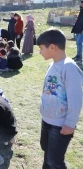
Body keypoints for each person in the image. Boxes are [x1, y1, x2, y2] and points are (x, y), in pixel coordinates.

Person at [36, 28, 83, 169]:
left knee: (55, 161)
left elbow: (76, 98)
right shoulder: (52, 65)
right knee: (47, 153)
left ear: (52, 47)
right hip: (47, 120)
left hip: (61, 124)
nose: (39, 52)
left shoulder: (69, 67)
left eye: (41, 48)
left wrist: (70, 122)